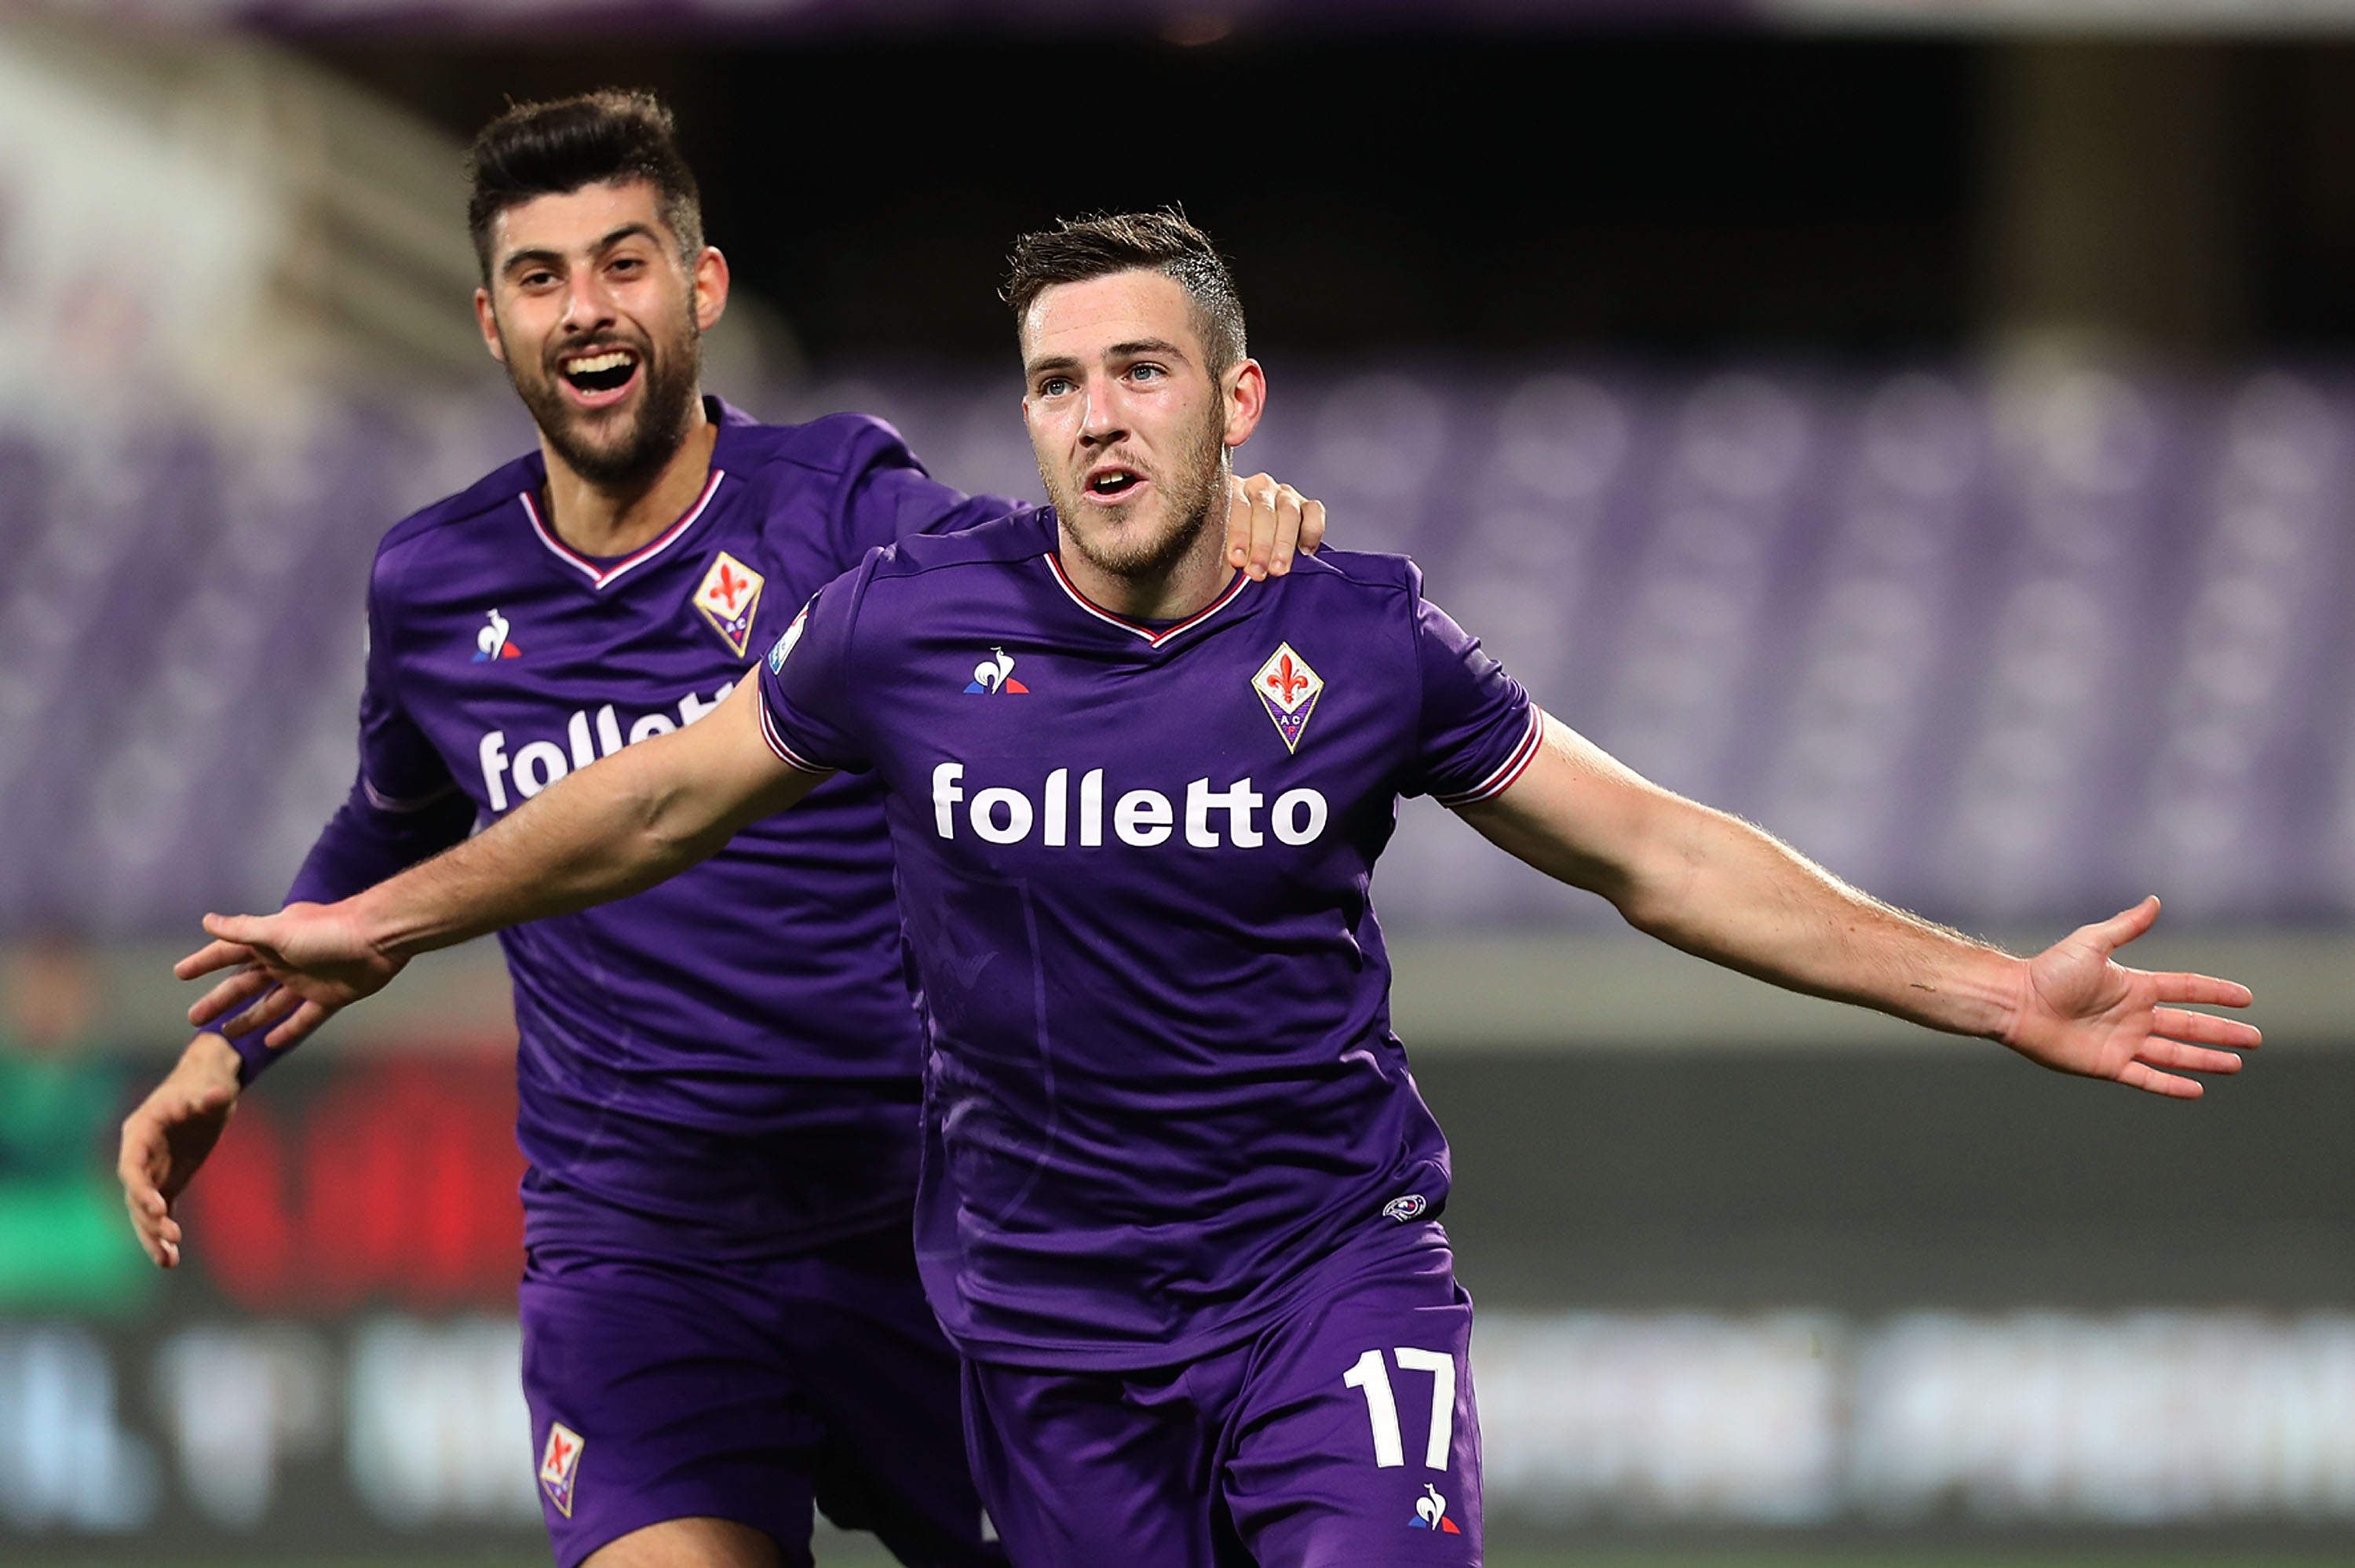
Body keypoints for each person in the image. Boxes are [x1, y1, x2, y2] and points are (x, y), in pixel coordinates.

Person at [178, 211, 2260, 1568]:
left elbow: (1651, 846)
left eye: (1142, 373)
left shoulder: (1360, 637)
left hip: (1320, 1279)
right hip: (1047, 1329)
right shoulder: (912, 631)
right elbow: (649, 803)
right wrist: (387, 918)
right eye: (1062, 382)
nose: (1098, 417)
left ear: (1233, 398)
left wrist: (1994, 987)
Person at [118, 102, 1323, 1568]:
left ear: (701, 289)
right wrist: (218, 1051)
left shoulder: (846, 512)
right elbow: (388, 827)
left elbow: (1068, 581)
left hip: (927, 1236)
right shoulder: (433, 586)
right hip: (639, 1255)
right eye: (540, 277)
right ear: (489, 324)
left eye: (622, 263)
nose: (584, 309)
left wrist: (1219, 516)